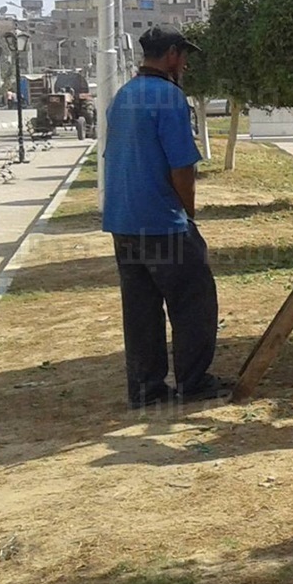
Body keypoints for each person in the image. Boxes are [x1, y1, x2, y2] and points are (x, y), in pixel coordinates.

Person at [103, 26, 226, 409]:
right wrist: (187, 214)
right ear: (171, 54)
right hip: (162, 222)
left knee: (140, 311)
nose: (186, 63)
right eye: (184, 56)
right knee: (193, 302)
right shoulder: (169, 97)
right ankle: (193, 381)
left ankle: (147, 389)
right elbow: (181, 168)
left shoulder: (122, 97)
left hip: (123, 222)